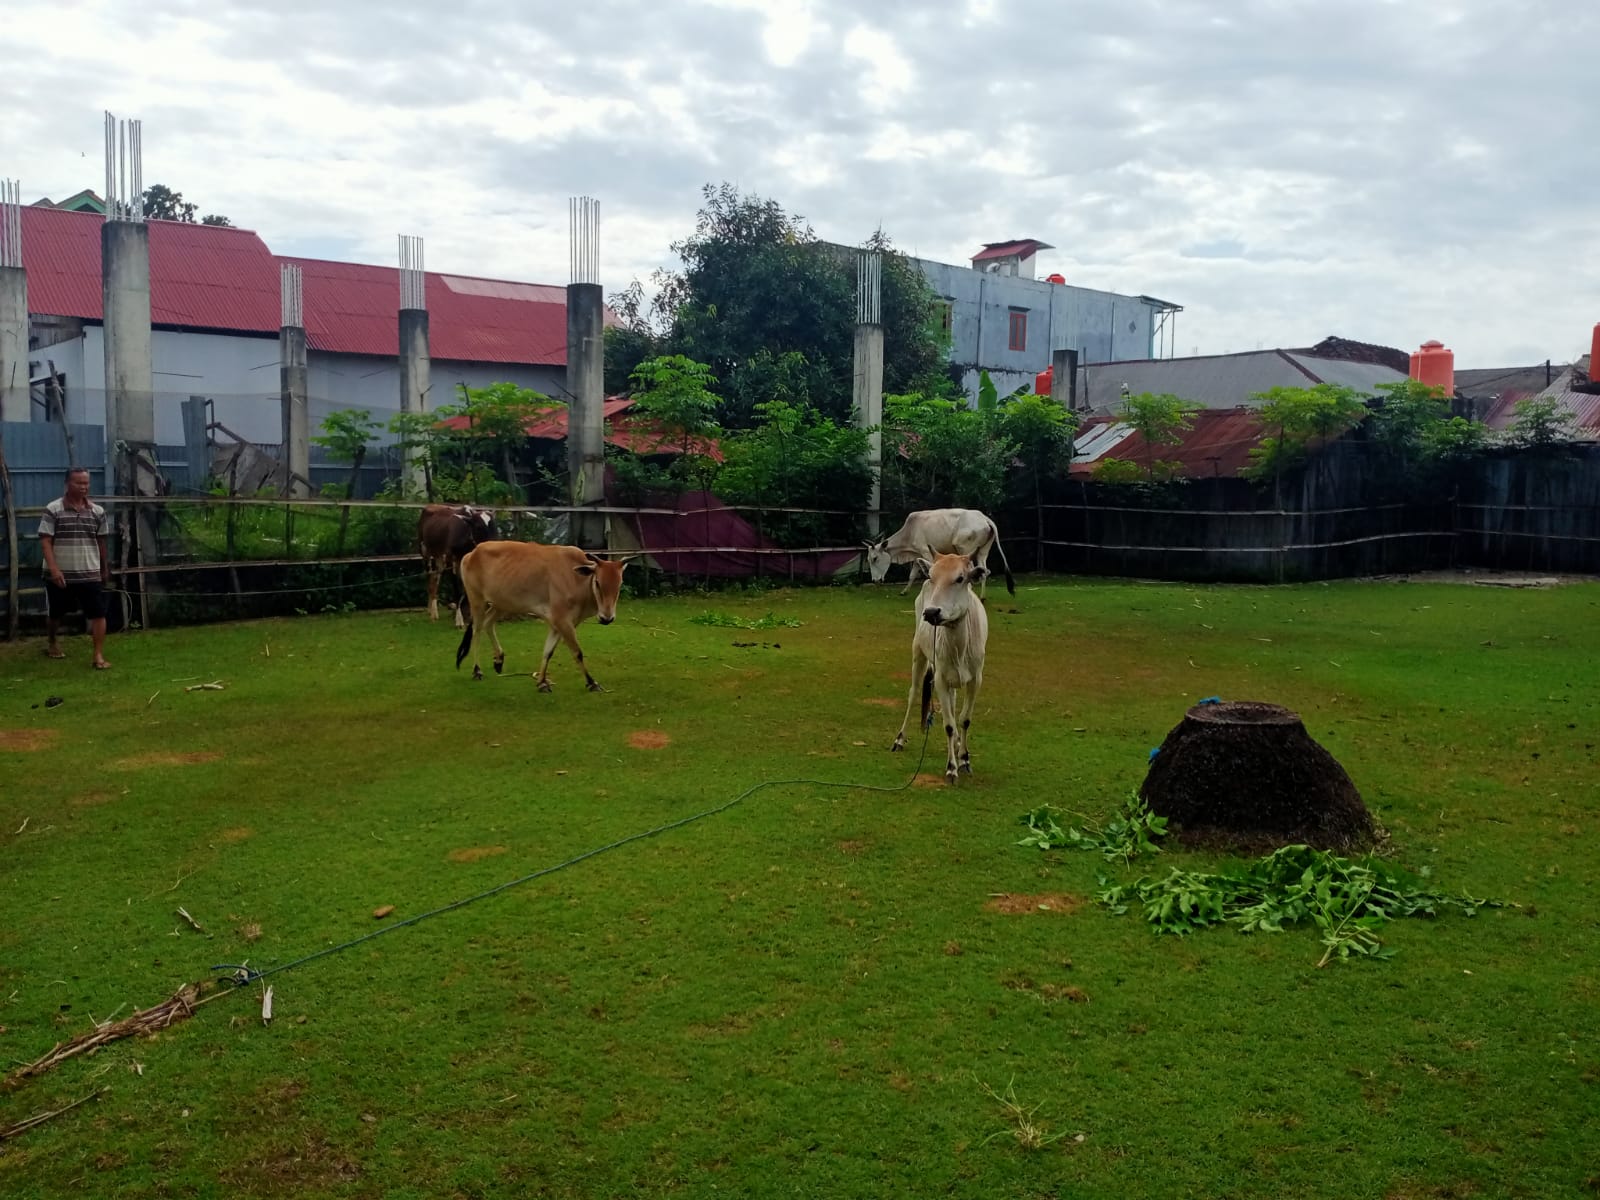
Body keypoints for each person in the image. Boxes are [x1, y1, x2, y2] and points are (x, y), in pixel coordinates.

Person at [39, 467, 112, 670]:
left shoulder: (98, 512)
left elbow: (101, 542)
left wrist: (104, 568)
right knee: (56, 613)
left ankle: (98, 655)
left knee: (98, 613)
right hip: (60, 574)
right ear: (67, 484)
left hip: (89, 572)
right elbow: (45, 541)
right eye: (78, 483)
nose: (83, 487)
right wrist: (54, 570)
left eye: (86, 483)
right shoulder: (53, 509)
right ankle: (52, 642)